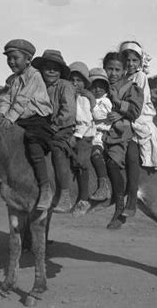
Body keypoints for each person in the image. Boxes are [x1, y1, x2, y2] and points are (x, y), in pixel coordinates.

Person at [108, 40, 157, 229]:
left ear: (140, 61)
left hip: (138, 120)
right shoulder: (118, 78)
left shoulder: (140, 78)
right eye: (126, 59)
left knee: (132, 155)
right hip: (122, 119)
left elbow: (137, 104)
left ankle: (131, 197)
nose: (130, 63)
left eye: (134, 59)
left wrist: (120, 112)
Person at [0, 39, 54, 210]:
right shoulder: (12, 79)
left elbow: (22, 100)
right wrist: (2, 115)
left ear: (28, 59)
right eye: (9, 59)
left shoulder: (34, 76)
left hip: (37, 118)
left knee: (33, 141)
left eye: (15, 58)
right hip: (21, 118)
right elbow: (6, 98)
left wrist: (10, 118)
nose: (11, 62)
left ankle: (45, 187)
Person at [102, 52, 144, 229]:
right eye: (109, 69)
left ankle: (122, 204)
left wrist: (119, 106)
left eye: (117, 69)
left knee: (119, 161)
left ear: (124, 70)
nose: (113, 73)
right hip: (102, 130)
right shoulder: (100, 85)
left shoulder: (131, 87)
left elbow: (135, 110)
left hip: (124, 132)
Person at [32, 50, 77, 213]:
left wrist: (55, 125)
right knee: (31, 144)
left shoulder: (65, 86)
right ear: (42, 70)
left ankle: (64, 195)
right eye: (47, 68)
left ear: (60, 72)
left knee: (58, 149)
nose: (51, 71)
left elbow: (69, 111)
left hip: (63, 127)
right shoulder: (38, 87)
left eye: (55, 69)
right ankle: (42, 188)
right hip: (44, 127)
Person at [68, 61, 95, 217]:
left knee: (81, 162)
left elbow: (84, 121)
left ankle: (84, 198)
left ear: (84, 83)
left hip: (84, 135)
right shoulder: (70, 96)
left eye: (78, 80)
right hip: (74, 132)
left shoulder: (83, 99)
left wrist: (76, 136)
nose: (75, 83)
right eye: (72, 80)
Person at [88, 67, 113, 202]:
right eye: (94, 86)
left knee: (95, 154)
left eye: (101, 86)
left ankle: (103, 186)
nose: (97, 89)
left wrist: (90, 104)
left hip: (100, 134)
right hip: (89, 133)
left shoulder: (105, 101)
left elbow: (99, 115)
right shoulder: (90, 100)